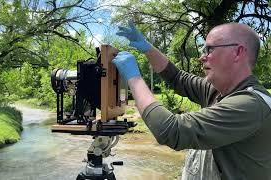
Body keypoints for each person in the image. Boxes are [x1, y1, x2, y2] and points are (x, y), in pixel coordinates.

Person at [112, 21, 271, 180]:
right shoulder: (219, 91)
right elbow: (177, 77)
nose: (202, 57)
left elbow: (171, 131)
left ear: (238, 52)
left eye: (210, 49)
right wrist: (147, 48)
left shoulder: (251, 105)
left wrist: (134, 78)